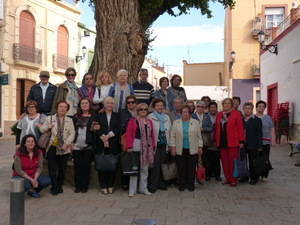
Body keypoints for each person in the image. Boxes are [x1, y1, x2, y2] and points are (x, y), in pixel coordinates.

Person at [40, 101, 75, 195]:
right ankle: (54, 186)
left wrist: (67, 144)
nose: (62, 109)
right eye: (60, 106)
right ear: (57, 108)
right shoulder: (50, 118)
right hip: (52, 146)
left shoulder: (69, 120)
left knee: (62, 168)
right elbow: (41, 129)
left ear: (67, 110)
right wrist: (48, 126)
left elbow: (72, 133)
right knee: (52, 168)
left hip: (65, 147)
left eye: (64, 107)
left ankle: (60, 185)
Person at [89, 97, 121, 194]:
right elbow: (96, 127)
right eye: (108, 103)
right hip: (100, 143)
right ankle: (103, 185)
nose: (109, 105)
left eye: (111, 103)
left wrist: (108, 136)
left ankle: (110, 185)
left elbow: (118, 128)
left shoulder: (117, 115)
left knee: (112, 165)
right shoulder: (98, 115)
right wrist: (103, 136)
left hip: (113, 143)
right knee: (102, 165)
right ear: (104, 104)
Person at [125, 103, 156, 197]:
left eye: (145, 109)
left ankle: (143, 189)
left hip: (147, 148)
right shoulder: (133, 121)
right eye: (141, 109)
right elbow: (128, 134)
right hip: (136, 145)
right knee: (134, 168)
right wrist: (129, 146)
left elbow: (152, 135)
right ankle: (132, 190)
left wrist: (153, 146)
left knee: (144, 169)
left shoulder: (149, 122)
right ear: (138, 111)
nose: (143, 111)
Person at [170, 105, 203, 191]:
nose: (185, 114)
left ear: (190, 113)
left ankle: (190, 185)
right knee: (181, 168)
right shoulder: (176, 122)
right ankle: (182, 184)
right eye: (183, 112)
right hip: (180, 149)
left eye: (187, 112)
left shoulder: (195, 122)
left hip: (193, 149)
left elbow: (199, 136)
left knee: (191, 168)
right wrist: (173, 147)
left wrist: (200, 147)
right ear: (181, 113)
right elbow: (172, 136)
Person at [215, 98, 244, 186]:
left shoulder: (236, 114)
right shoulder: (219, 114)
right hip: (222, 142)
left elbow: (240, 128)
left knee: (233, 162)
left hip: (233, 142)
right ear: (223, 105)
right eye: (225, 103)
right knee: (224, 162)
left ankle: (233, 179)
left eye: (228, 103)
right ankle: (227, 178)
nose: (226, 105)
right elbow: (217, 128)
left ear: (231, 105)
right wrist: (216, 140)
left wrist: (241, 141)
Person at [148, 99, 171, 193]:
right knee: (155, 165)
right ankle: (153, 185)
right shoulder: (150, 117)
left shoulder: (167, 117)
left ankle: (161, 184)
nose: (160, 107)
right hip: (155, 145)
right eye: (157, 105)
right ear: (154, 107)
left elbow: (170, 131)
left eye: (161, 105)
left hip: (164, 144)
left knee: (162, 164)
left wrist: (170, 144)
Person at [72, 98, 94, 193]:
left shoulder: (94, 116)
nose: (84, 105)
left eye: (86, 103)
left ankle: (85, 186)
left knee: (86, 167)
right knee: (77, 166)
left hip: (88, 145)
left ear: (89, 105)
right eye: (82, 103)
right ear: (80, 105)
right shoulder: (75, 117)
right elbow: (72, 130)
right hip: (76, 145)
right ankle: (78, 186)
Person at [119, 95, 138, 190]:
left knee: (136, 162)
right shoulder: (122, 112)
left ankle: (135, 184)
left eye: (132, 102)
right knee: (126, 160)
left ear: (135, 103)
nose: (130, 104)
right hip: (126, 139)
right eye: (128, 102)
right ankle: (125, 183)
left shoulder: (139, 112)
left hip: (137, 140)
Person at [192, 101, 213, 181]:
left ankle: (204, 175)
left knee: (205, 159)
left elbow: (211, 128)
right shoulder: (193, 116)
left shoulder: (207, 117)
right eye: (198, 106)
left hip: (205, 141)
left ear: (204, 108)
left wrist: (203, 129)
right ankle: (195, 175)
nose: (200, 108)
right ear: (196, 107)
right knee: (195, 159)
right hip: (194, 141)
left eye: (202, 107)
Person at [243, 102, 262, 185]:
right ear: (243, 109)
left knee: (252, 162)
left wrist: (259, 146)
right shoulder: (240, 119)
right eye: (246, 108)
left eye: (249, 108)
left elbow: (259, 133)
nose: (247, 110)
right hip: (242, 144)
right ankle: (244, 176)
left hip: (253, 144)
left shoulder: (257, 120)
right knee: (243, 162)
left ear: (252, 109)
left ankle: (254, 178)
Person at [256, 100, 276, 172]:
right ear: (256, 108)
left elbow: (272, 129)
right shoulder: (253, 117)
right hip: (256, 142)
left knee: (265, 158)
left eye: (263, 107)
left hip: (266, 142)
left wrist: (273, 140)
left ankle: (264, 174)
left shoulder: (268, 118)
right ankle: (258, 173)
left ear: (265, 108)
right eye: (259, 106)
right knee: (257, 159)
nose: (261, 108)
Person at [205, 101, 221, 181]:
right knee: (208, 159)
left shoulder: (220, 116)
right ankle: (208, 175)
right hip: (208, 140)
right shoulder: (206, 117)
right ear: (208, 109)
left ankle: (217, 175)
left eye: (214, 107)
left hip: (218, 140)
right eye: (211, 107)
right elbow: (203, 127)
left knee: (217, 159)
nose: (213, 109)